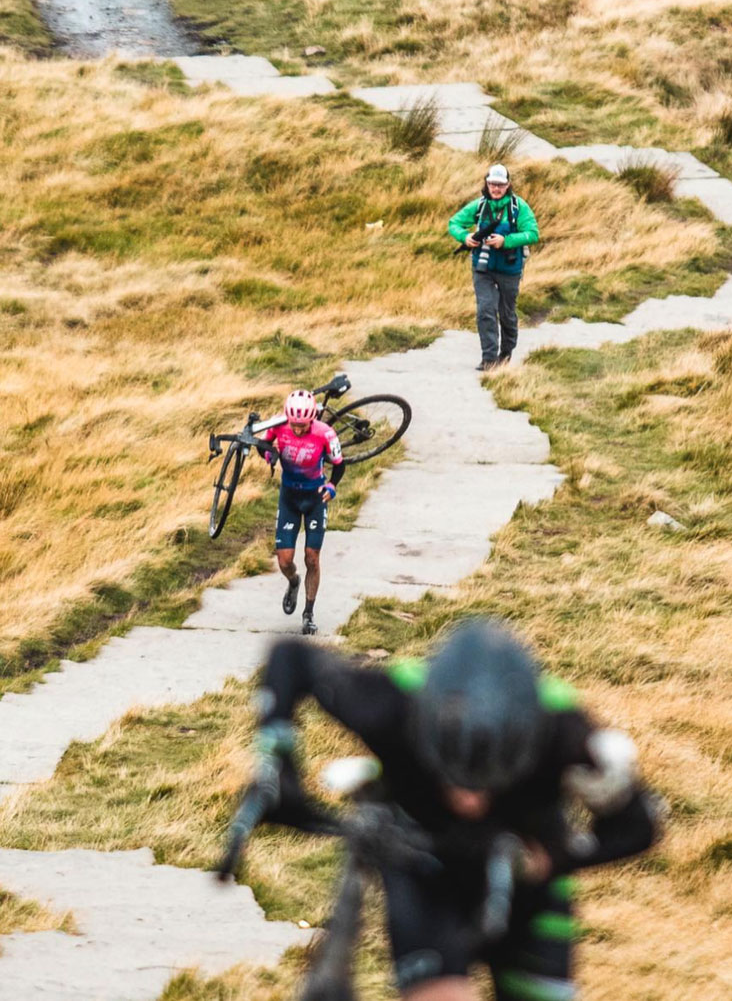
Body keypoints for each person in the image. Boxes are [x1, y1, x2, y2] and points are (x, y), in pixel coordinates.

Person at [236, 617, 659, 1001]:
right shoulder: (393, 704)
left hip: (529, 887)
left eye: (492, 784)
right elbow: (290, 657)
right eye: (450, 777)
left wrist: (555, 856)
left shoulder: (567, 733)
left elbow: (638, 828)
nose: (469, 800)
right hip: (425, 866)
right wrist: (278, 765)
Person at [256, 389, 345, 636]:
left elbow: (339, 464)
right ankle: (293, 582)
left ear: (311, 419)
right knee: (284, 560)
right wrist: (267, 453)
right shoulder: (278, 425)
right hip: (289, 498)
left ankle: (308, 613)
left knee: (311, 557)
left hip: (315, 498)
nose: (297, 429)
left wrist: (332, 485)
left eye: (303, 425)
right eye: (294, 424)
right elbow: (262, 444)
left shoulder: (325, 433)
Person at [448, 164, 539, 371]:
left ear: (508, 185)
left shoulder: (519, 208)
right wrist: (466, 237)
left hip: (510, 269)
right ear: (486, 184)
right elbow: (454, 223)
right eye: (492, 184)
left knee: (507, 313)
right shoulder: (479, 206)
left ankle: (505, 353)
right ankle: (489, 359)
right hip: (483, 267)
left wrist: (504, 241)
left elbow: (533, 234)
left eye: (500, 185)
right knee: (485, 310)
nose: (496, 189)